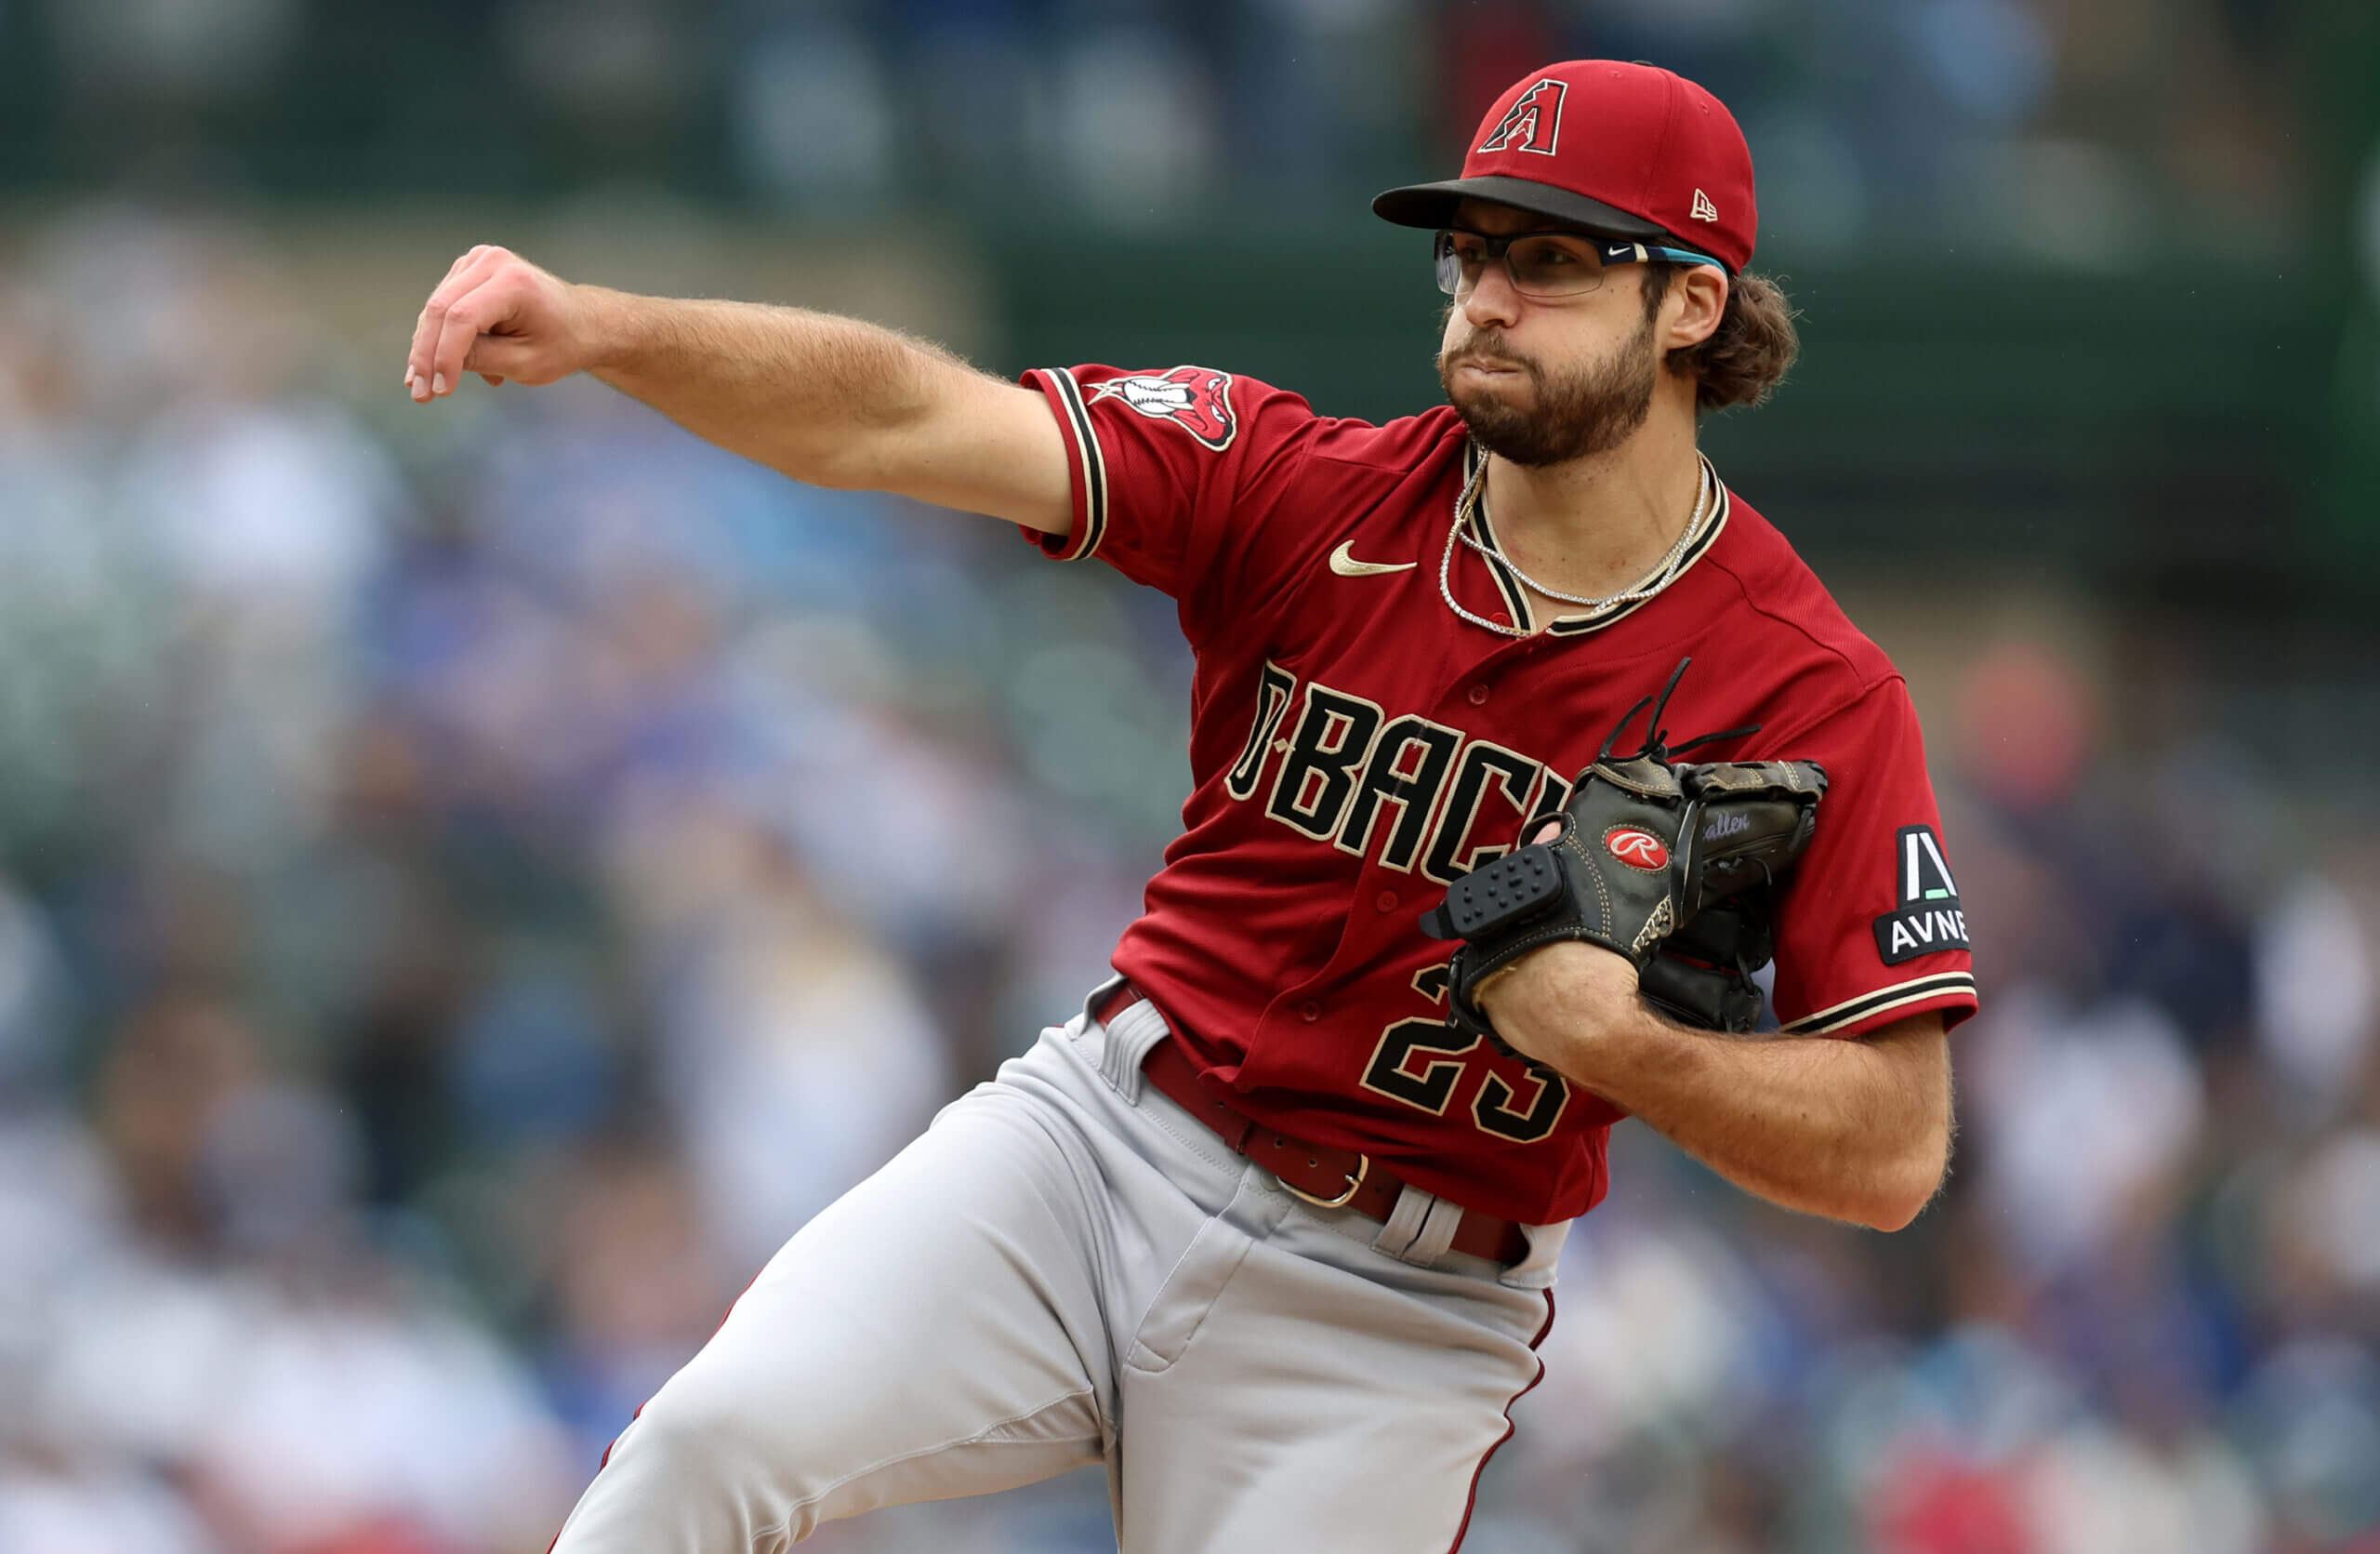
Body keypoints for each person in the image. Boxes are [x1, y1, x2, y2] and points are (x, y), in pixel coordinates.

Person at [404, 59, 1977, 1554]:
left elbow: (1897, 1149)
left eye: (1554, 260)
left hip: (1400, 1310)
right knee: (707, 1442)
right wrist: (609, 328)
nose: (1490, 294)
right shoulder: (1303, 486)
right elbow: (901, 416)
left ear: (1692, 302)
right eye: (1472, 250)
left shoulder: (1809, 694)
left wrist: (1628, 1051)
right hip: (1098, 1150)